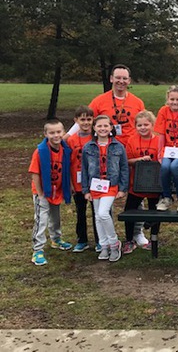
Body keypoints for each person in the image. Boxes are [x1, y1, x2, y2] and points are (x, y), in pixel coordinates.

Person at [81, 115, 128, 262]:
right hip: (95, 185)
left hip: (111, 184)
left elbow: (124, 168)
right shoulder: (88, 147)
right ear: (94, 128)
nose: (103, 129)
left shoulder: (118, 146)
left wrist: (122, 187)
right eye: (99, 126)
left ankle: (114, 243)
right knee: (97, 216)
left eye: (106, 126)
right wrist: (86, 190)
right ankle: (104, 245)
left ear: (111, 128)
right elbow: (84, 169)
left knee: (103, 213)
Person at [29, 119, 73, 266]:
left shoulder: (65, 150)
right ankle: (37, 250)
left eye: (58, 132)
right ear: (46, 134)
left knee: (56, 216)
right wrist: (40, 193)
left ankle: (56, 239)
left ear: (64, 132)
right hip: (42, 191)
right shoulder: (40, 151)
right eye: (52, 132)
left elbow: (67, 170)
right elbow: (35, 173)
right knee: (41, 219)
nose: (56, 135)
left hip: (57, 190)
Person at [65, 64, 145, 145]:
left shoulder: (138, 103)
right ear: (111, 79)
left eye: (124, 78)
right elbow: (84, 119)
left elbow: (146, 124)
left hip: (132, 147)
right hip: (107, 146)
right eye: (118, 78)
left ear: (129, 80)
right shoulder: (99, 101)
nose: (121, 81)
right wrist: (67, 136)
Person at [123, 110, 161, 254]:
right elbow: (127, 160)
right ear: (135, 126)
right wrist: (139, 160)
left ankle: (153, 238)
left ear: (152, 125)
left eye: (146, 124)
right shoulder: (132, 140)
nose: (143, 127)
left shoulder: (158, 140)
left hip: (154, 185)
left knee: (155, 213)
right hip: (136, 184)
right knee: (129, 212)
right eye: (139, 125)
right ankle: (129, 240)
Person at [66, 106, 99, 253]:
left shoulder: (97, 137)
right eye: (82, 119)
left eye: (89, 119)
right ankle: (82, 240)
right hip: (77, 181)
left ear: (93, 120)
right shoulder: (71, 140)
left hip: (95, 181)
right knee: (80, 211)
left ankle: (100, 240)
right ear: (76, 121)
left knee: (97, 212)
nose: (86, 123)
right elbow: (67, 162)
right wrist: (71, 183)